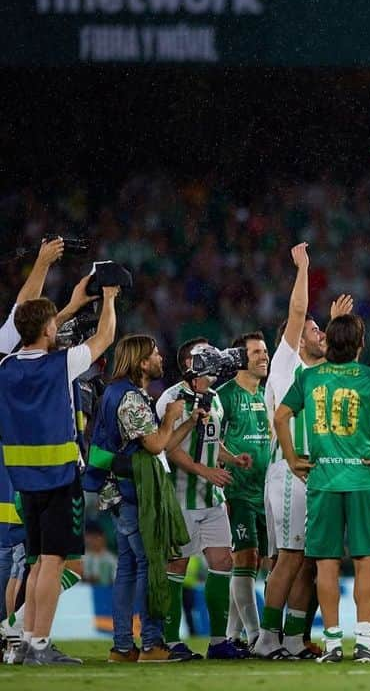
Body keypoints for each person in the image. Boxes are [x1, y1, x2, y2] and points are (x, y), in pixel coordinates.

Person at [0, 281, 119, 665]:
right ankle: (39, 645)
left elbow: (31, 334)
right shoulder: (61, 364)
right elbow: (105, 336)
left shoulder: (5, 366)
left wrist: (66, 307)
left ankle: (26, 643)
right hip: (59, 476)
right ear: (49, 330)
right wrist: (111, 298)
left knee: (38, 561)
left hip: (23, 479)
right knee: (53, 560)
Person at [275, 313, 370, 663]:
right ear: (361, 345)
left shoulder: (310, 377)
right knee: (365, 563)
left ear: (328, 343)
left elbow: (281, 416)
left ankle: (331, 645)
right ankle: (363, 643)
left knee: (326, 565)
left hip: (323, 480)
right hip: (362, 479)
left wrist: (290, 457)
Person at [254, 242, 350, 661]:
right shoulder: (285, 365)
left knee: (310, 560)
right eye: (315, 331)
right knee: (291, 558)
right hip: (291, 470)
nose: (320, 335)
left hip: (314, 472)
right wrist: (304, 268)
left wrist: (338, 325)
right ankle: (266, 638)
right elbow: (296, 315)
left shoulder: (319, 373)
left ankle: (293, 639)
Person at [86, 335, 199, 663]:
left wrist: (189, 421)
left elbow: (159, 445)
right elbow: (153, 445)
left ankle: (122, 647)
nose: (160, 357)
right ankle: (151, 643)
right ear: (140, 362)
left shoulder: (119, 392)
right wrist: (170, 416)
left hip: (120, 490)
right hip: (134, 493)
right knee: (151, 565)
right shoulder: (131, 398)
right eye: (154, 354)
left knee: (128, 568)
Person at [157, 338, 252, 660]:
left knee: (223, 562)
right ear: (191, 363)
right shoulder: (171, 399)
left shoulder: (214, 397)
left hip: (212, 498)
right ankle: (170, 643)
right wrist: (204, 470)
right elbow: (168, 447)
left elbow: (213, 441)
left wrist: (231, 457)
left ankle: (217, 641)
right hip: (181, 497)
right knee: (177, 565)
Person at [217, 332, 272, 649]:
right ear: (240, 358)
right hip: (237, 492)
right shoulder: (225, 396)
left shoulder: (266, 395)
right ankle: (255, 635)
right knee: (246, 558)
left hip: (265, 493)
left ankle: (232, 636)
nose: (263, 357)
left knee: (259, 563)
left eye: (264, 351)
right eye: (255, 352)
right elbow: (211, 440)